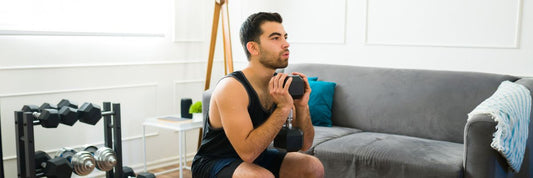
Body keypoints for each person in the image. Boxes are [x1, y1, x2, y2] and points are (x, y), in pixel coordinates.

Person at [191, 12, 324, 178]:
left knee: (313, 166)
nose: (286, 44)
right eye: (276, 38)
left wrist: (301, 106)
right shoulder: (232, 87)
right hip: (215, 162)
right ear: (253, 48)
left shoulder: (279, 85)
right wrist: (283, 108)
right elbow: (248, 153)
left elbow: (305, 144)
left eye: (285, 37)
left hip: (256, 158)